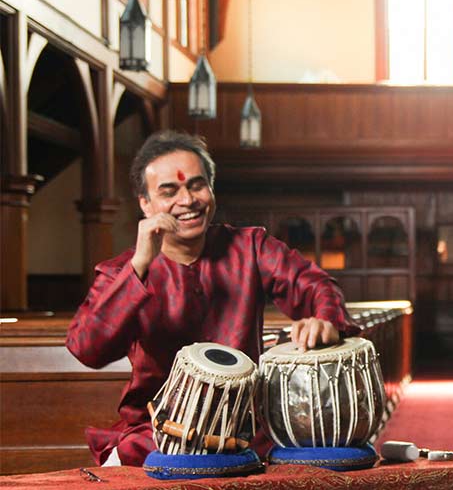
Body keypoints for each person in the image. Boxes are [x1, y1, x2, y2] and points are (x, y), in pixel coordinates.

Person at [66, 130, 361, 467]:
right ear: (145, 204)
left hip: (245, 431)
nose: (188, 200)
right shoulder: (123, 271)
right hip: (156, 434)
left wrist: (324, 320)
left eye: (196, 185)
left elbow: (316, 286)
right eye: (169, 191)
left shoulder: (250, 247)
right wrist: (140, 265)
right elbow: (87, 348)